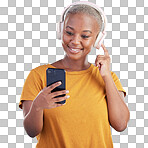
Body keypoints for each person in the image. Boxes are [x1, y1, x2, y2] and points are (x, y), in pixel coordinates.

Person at [19, 2, 130, 148]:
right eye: (69, 32)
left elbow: (121, 124)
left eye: (85, 36)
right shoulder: (38, 75)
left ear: (97, 40)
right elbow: (31, 131)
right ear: (61, 31)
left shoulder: (108, 78)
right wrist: (38, 106)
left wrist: (106, 77)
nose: (75, 41)